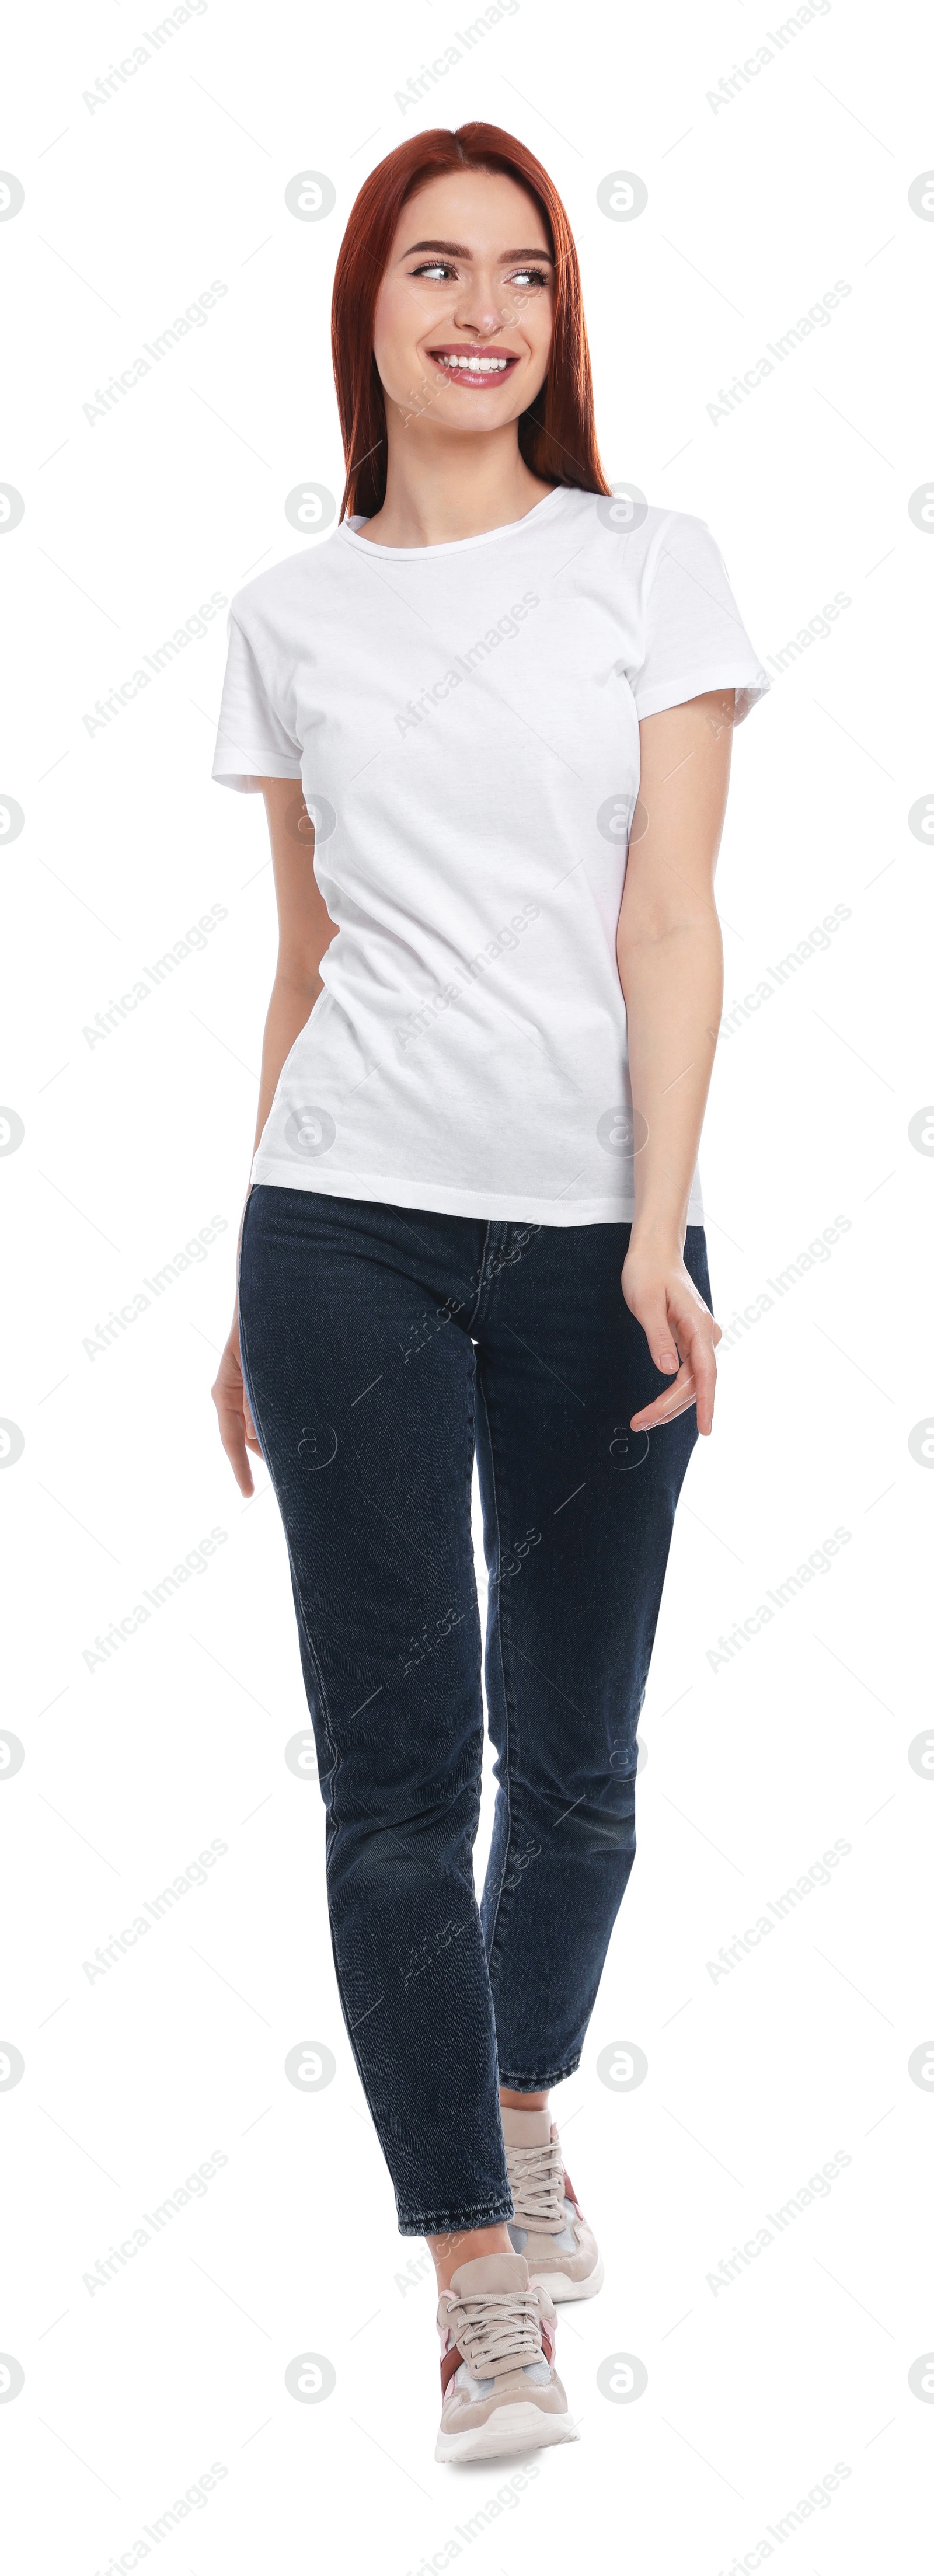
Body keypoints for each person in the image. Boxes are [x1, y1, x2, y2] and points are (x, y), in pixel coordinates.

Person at [210, 121, 768, 2465]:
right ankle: (471, 2276)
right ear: (365, 308)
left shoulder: (651, 567)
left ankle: (519, 2094)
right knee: (391, 1782)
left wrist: (654, 1233)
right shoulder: (289, 614)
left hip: (588, 1238)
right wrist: (253, 1272)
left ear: (558, 318)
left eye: (523, 275)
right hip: (338, 1229)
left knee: (581, 1770)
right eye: (435, 269)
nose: (484, 310)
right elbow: (308, 955)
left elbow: (668, 928)